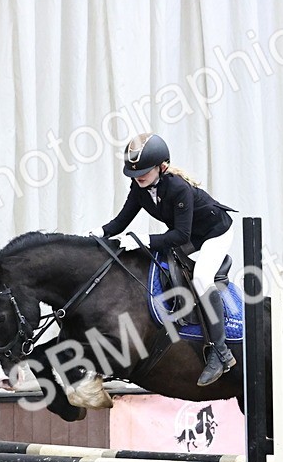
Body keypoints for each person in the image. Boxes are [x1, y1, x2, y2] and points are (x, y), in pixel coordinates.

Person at [91, 133, 238, 387]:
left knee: (202, 278)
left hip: (215, 233)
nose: (138, 179)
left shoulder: (178, 188)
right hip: (190, 233)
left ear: (162, 167)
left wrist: (143, 239)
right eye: (134, 175)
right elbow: (122, 219)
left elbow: (181, 235)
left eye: (144, 173)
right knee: (159, 265)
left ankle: (221, 353)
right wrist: (100, 233)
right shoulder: (139, 187)